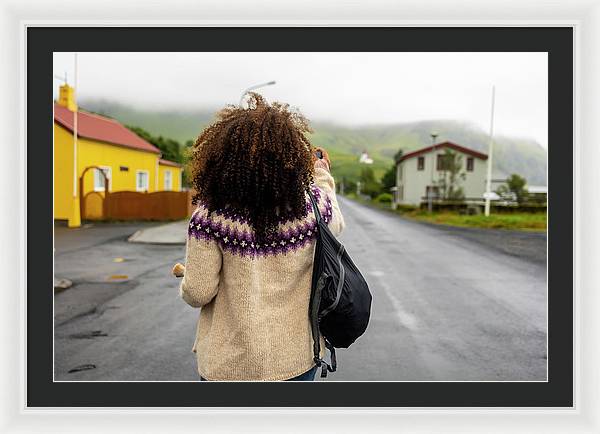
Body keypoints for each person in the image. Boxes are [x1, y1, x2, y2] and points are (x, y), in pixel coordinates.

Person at [173, 93, 344, 381]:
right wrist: (322, 173)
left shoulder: (211, 215)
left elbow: (198, 293)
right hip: (297, 361)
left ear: (222, 158)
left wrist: (188, 278)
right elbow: (335, 220)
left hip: (228, 367)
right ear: (290, 158)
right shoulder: (313, 207)